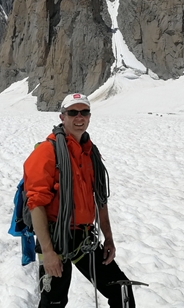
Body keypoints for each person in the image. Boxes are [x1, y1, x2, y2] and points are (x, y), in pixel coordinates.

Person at [23, 92, 136, 308]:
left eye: (84, 112)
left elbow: (100, 199)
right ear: (62, 117)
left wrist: (109, 239)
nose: (79, 117)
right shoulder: (47, 153)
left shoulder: (90, 153)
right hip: (55, 238)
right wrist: (48, 252)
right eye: (73, 112)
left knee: (121, 289)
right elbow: (36, 203)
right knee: (54, 301)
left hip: (84, 237)